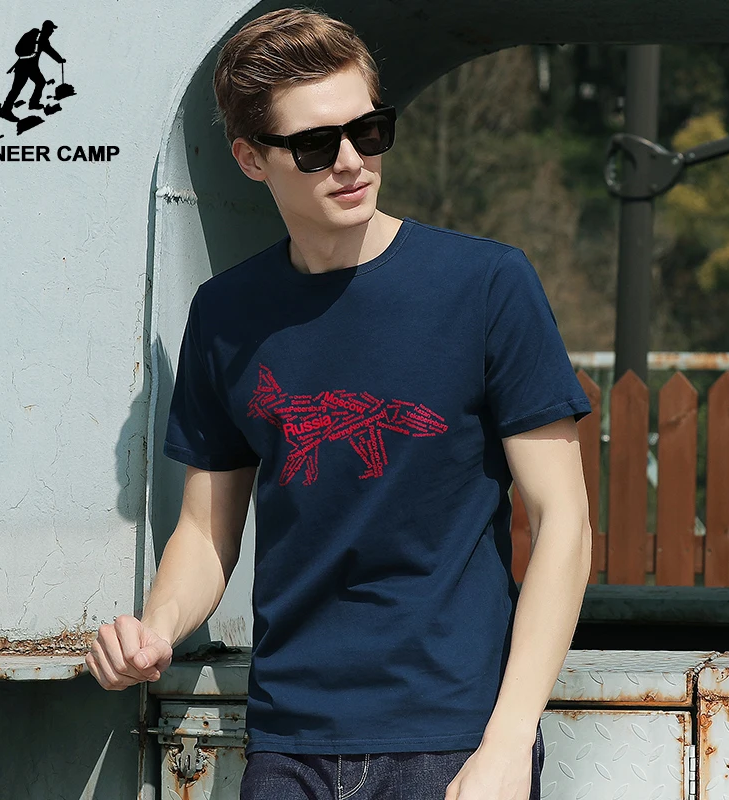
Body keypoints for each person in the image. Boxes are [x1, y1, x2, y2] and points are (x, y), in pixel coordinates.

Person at [84, 7, 593, 799]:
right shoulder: (227, 313)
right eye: (316, 145)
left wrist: (507, 740)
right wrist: (156, 630)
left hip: (453, 740)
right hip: (288, 742)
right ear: (251, 158)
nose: (353, 162)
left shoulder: (486, 285)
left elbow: (565, 522)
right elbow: (206, 533)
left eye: (370, 131)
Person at [0, 19, 65, 122]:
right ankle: (5, 111)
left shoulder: (40, 38)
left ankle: (33, 103)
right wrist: (59, 60)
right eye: (51, 29)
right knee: (16, 89)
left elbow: (50, 51)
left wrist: (59, 59)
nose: (52, 31)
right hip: (24, 67)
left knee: (40, 82)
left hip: (30, 67)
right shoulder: (38, 37)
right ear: (46, 29)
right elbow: (19, 49)